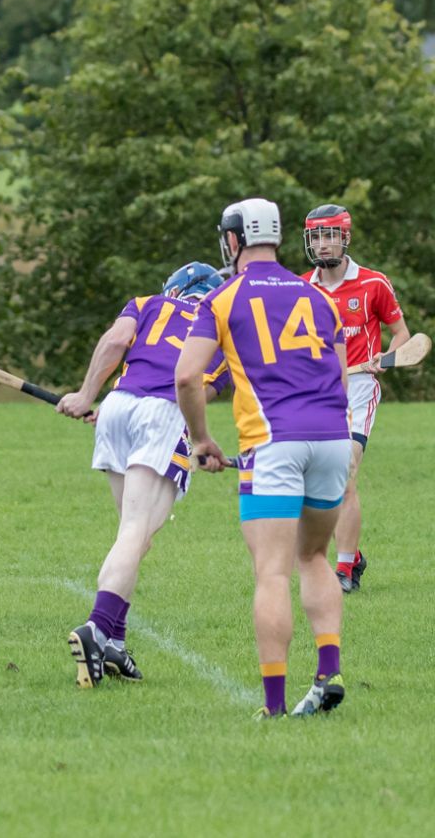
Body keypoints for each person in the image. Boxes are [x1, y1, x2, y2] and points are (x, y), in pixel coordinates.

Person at [176, 197, 352, 719]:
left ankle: (273, 708)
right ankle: (328, 671)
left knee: (271, 573)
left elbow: (187, 376)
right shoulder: (319, 297)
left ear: (232, 241)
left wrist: (201, 439)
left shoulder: (223, 298)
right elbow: (339, 377)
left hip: (273, 442)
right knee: (314, 556)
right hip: (333, 438)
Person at [57, 262, 228, 688]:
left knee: (133, 535)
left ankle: (115, 640)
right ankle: (97, 628)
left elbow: (116, 341)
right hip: (163, 414)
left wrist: (88, 395)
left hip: (118, 406)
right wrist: (201, 440)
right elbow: (196, 391)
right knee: (136, 531)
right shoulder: (221, 331)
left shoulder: (146, 303)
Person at [301, 205, 410, 593]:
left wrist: (388, 357)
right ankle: (354, 554)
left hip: (360, 387)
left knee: (345, 471)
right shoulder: (301, 287)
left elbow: (402, 334)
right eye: (316, 236)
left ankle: (344, 570)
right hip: (314, 391)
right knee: (320, 481)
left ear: (344, 237)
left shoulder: (373, 284)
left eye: (330, 234)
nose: (322, 243)